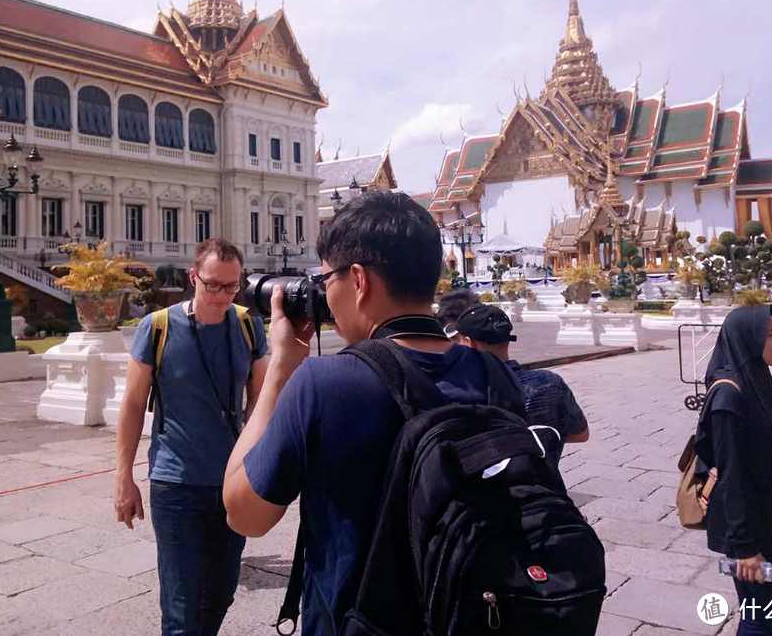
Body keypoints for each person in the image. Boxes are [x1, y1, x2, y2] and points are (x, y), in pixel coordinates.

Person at [221, 191, 526, 635]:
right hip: (473, 618)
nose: (325, 294)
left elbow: (243, 514)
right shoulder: (496, 376)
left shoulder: (325, 385)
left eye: (327, 279)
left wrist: (280, 367)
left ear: (359, 281)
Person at [114, 237, 268, 636]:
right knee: (181, 607)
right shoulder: (159, 327)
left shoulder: (249, 326)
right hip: (175, 484)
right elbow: (132, 405)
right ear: (193, 276)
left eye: (231, 287)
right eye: (212, 284)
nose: (220, 296)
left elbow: (263, 403)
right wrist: (123, 478)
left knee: (221, 593)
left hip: (233, 483)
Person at [695, 305, 772, 635]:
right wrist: (746, 549)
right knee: (759, 619)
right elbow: (731, 478)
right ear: (746, 339)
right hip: (749, 532)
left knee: (763, 614)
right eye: (769, 335)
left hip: (768, 521)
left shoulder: (757, 380)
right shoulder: (729, 397)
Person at [455, 302, 589, 460]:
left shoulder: (460, 390)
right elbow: (581, 434)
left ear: (469, 343)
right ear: (507, 339)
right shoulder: (549, 383)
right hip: (543, 480)